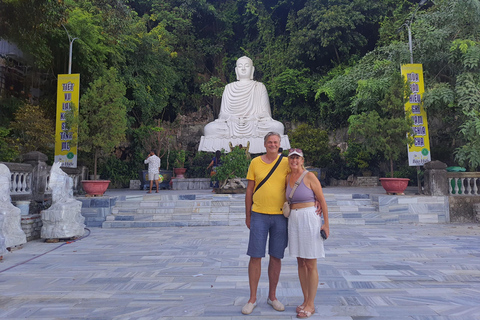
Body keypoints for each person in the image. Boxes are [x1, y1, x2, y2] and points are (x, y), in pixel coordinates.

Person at [242, 132, 290, 315]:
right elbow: (249, 190)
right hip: (259, 214)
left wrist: (315, 199)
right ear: (264, 144)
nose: (272, 144)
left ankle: (272, 296)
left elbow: (300, 180)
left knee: (276, 256)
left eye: (275, 142)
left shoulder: (286, 162)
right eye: (269, 142)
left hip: (280, 216)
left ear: (279, 144)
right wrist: (248, 215)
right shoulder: (255, 163)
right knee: (255, 256)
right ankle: (252, 298)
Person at [286, 148, 329, 319]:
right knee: (301, 261)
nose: (294, 161)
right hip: (294, 220)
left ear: (302, 160)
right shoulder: (287, 178)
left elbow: (322, 200)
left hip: (309, 218)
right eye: (292, 158)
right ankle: (305, 300)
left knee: (311, 262)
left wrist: (326, 224)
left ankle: (311, 304)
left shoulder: (310, 176)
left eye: (297, 158)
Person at [203, 56, 284, 139]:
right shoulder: (229, 88)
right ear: (236, 70)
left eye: (247, 66)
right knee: (209, 129)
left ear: (252, 70)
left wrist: (252, 118)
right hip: (232, 124)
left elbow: (266, 114)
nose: (243, 69)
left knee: (277, 127)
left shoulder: (259, 87)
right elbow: (223, 114)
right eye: (240, 66)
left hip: (255, 124)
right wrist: (233, 119)